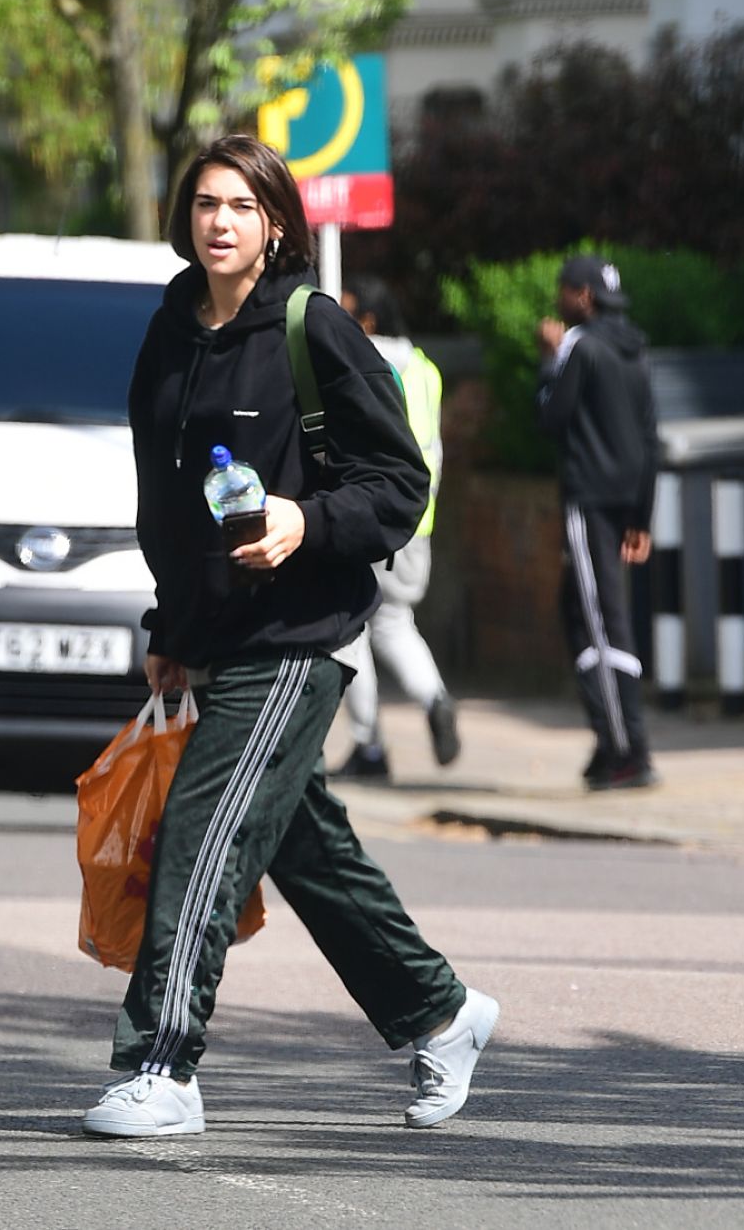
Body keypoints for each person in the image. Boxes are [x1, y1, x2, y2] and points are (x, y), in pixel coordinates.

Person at [82, 134, 499, 1138]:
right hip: (213, 632)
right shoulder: (170, 333)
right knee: (302, 847)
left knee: (204, 829)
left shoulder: (314, 329)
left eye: (239, 205)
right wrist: (167, 626)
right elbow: (166, 504)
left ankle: (163, 1065)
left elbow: (399, 483)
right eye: (203, 204)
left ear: (275, 226)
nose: (217, 221)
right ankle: (441, 1013)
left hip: (299, 632)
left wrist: (305, 521)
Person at [535, 254, 659, 790]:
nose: (560, 298)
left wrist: (548, 358)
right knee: (582, 611)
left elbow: (550, 417)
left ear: (583, 296)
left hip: (587, 500)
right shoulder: (636, 347)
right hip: (625, 501)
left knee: (602, 621)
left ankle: (625, 749)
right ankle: (609, 737)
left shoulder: (579, 346)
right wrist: (642, 515)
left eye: (565, 289)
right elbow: (650, 436)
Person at [331, 274, 459, 780]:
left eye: (347, 310)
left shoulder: (363, 362)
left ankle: (369, 747)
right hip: (417, 521)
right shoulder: (425, 367)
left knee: (352, 631)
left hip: (369, 516)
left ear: (368, 319)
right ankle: (435, 698)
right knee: (395, 623)